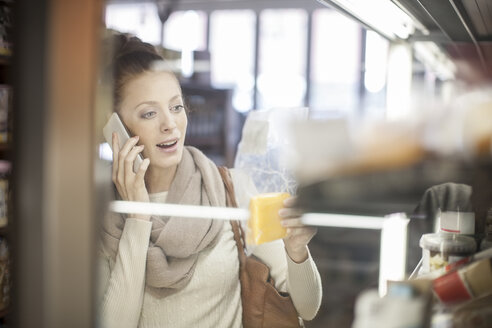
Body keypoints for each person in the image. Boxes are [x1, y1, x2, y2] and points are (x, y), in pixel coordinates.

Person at [98, 34, 323, 328]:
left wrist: (297, 251)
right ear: (115, 127)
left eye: (176, 107)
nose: (170, 124)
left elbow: (308, 307)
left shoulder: (231, 188)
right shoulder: (102, 213)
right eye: (149, 113)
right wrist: (137, 216)